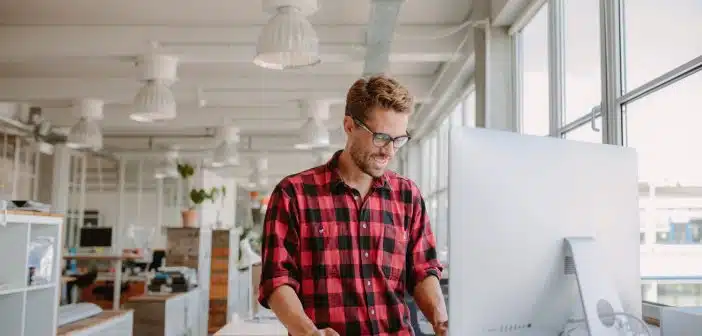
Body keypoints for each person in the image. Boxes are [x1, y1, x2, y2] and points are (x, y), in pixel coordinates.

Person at [258, 75, 448, 336]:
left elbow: (423, 269)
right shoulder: (294, 194)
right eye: (380, 137)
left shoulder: (408, 196)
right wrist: (308, 332)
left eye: (398, 139)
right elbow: (276, 280)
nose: (389, 151)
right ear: (349, 126)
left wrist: (441, 320)